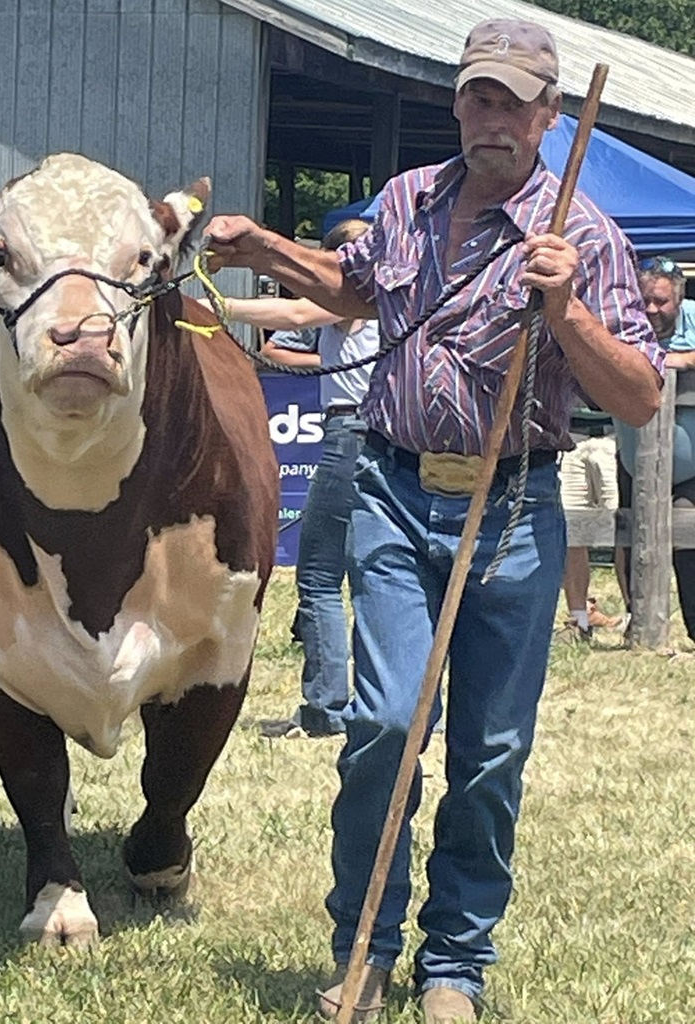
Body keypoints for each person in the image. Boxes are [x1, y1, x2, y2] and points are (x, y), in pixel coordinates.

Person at [206, 17, 664, 1023]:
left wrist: (567, 314)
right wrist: (266, 247)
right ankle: (361, 946)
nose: (488, 119)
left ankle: (453, 963)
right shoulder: (409, 200)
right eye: (474, 97)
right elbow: (354, 289)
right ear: (454, 101)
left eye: (510, 103)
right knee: (382, 723)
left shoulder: (580, 234)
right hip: (391, 489)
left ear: (548, 114)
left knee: (490, 750)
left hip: (514, 509)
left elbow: (633, 396)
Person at [221, 220, 380, 739]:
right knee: (385, 577)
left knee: (317, 576)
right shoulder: (397, 291)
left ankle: (325, 708)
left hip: (350, 429)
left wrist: (218, 308)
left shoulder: (352, 292)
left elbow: (292, 312)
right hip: (386, 433)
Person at [615, 255, 695, 641]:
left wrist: (679, 361)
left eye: (660, 301)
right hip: (634, 462)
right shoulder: (623, 319)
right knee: (630, 542)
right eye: (645, 299)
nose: (651, 309)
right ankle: (640, 626)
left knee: (690, 549)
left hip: (690, 470)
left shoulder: (694, 316)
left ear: (679, 299)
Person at [557, 404, 625, 640]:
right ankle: (580, 620)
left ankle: (636, 618)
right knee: (571, 532)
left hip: (618, 436)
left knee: (627, 530)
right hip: (568, 437)